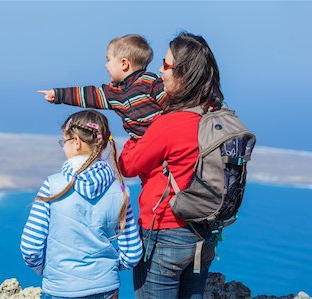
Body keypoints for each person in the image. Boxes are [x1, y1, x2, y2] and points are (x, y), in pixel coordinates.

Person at [118, 32, 224, 299]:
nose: (159, 71)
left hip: (164, 232)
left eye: (165, 65)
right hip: (203, 233)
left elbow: (128, 166)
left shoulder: (170, 124)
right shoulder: (215, 116)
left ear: (183, 74)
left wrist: (134, 137)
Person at [20, 110, 143, 299]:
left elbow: (31, 247)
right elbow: (132, 253)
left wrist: (50, 270)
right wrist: (108, 268)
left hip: (60, 290)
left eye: (64, 142)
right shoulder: (121, 190)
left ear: (76, 142)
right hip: (107, 289)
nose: (63, 148)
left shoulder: (52, 186)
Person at [37, 34, 168, 140]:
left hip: (162, 138)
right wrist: (58, 95)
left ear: (124, 64)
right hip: (142, 143)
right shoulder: (114, 93)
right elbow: (88, 95)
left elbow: (171, 105)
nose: (106, 65)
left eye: (108, 60)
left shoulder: (149, 82)